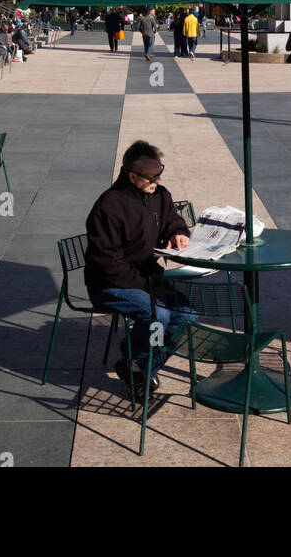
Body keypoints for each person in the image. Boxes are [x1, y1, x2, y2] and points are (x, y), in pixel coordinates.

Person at [85, 140, 197, 403]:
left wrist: (178, 232)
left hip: (146, 276)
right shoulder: (108, 206)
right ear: (132, 175)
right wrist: (145, 286)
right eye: (152, 177)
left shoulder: (159, 194)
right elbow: (107, 263)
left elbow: (173, 219)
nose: (158, 180)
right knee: (158, 314)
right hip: (109, 283)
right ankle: (137, 364)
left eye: (160, 173)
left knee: (188, 315)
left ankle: (137, 365)